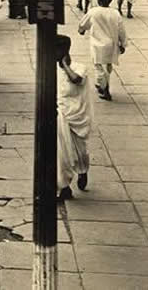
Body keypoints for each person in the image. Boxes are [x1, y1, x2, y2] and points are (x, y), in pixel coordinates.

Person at [56, 34, 94, 201]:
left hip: (78, 118)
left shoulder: (79, 68)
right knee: (62, 154)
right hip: (61, 115)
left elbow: (76, 80)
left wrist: (65, 65)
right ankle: (64, 187)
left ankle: (83, 170)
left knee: (80, 153)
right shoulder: (52, 70)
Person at [78, 0, 126, 101]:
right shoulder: (115, 13)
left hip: (97, 44)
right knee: (108, 66)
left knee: (98, 66)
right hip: (111, 44)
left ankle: (104, 88)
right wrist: (122, 43)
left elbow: (83, 24)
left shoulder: (93, 11)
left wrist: (81, 30)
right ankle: (104, 84)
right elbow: (121, 30)